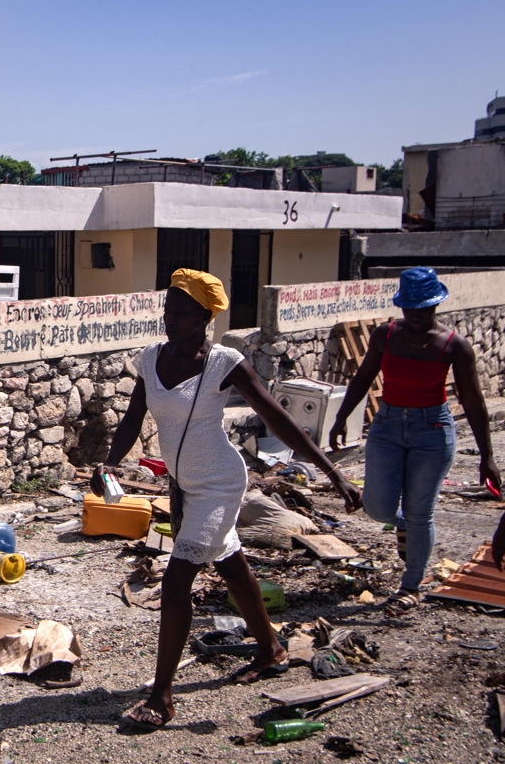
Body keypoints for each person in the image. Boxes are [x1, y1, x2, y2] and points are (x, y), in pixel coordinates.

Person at [91, 269, 362, 731]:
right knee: (231, 564)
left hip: (219, 484)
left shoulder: (224, 362)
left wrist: (332, 470)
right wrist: (111, 464)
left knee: (176, 583)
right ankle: (270, 648)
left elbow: (278, 420)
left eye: (181, 313)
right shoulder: (151, 358)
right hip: (182, 485)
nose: (169, 319)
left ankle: (161, 697)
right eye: (167, 310)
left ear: (205, 317)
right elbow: (133, 419)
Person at [329, 267, 501, 614]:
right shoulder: (386, 335)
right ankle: (406, 526)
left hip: (432, 432)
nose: (416, 315)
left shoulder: (453, 346)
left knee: (421, 512)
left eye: (422, 308)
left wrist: (488, 456)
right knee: (377, 507)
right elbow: (363, 377)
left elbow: (473, 402)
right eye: (410, 308)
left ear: (436, 305)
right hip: (387, 427)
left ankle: (411, 586)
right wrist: (340, 418)